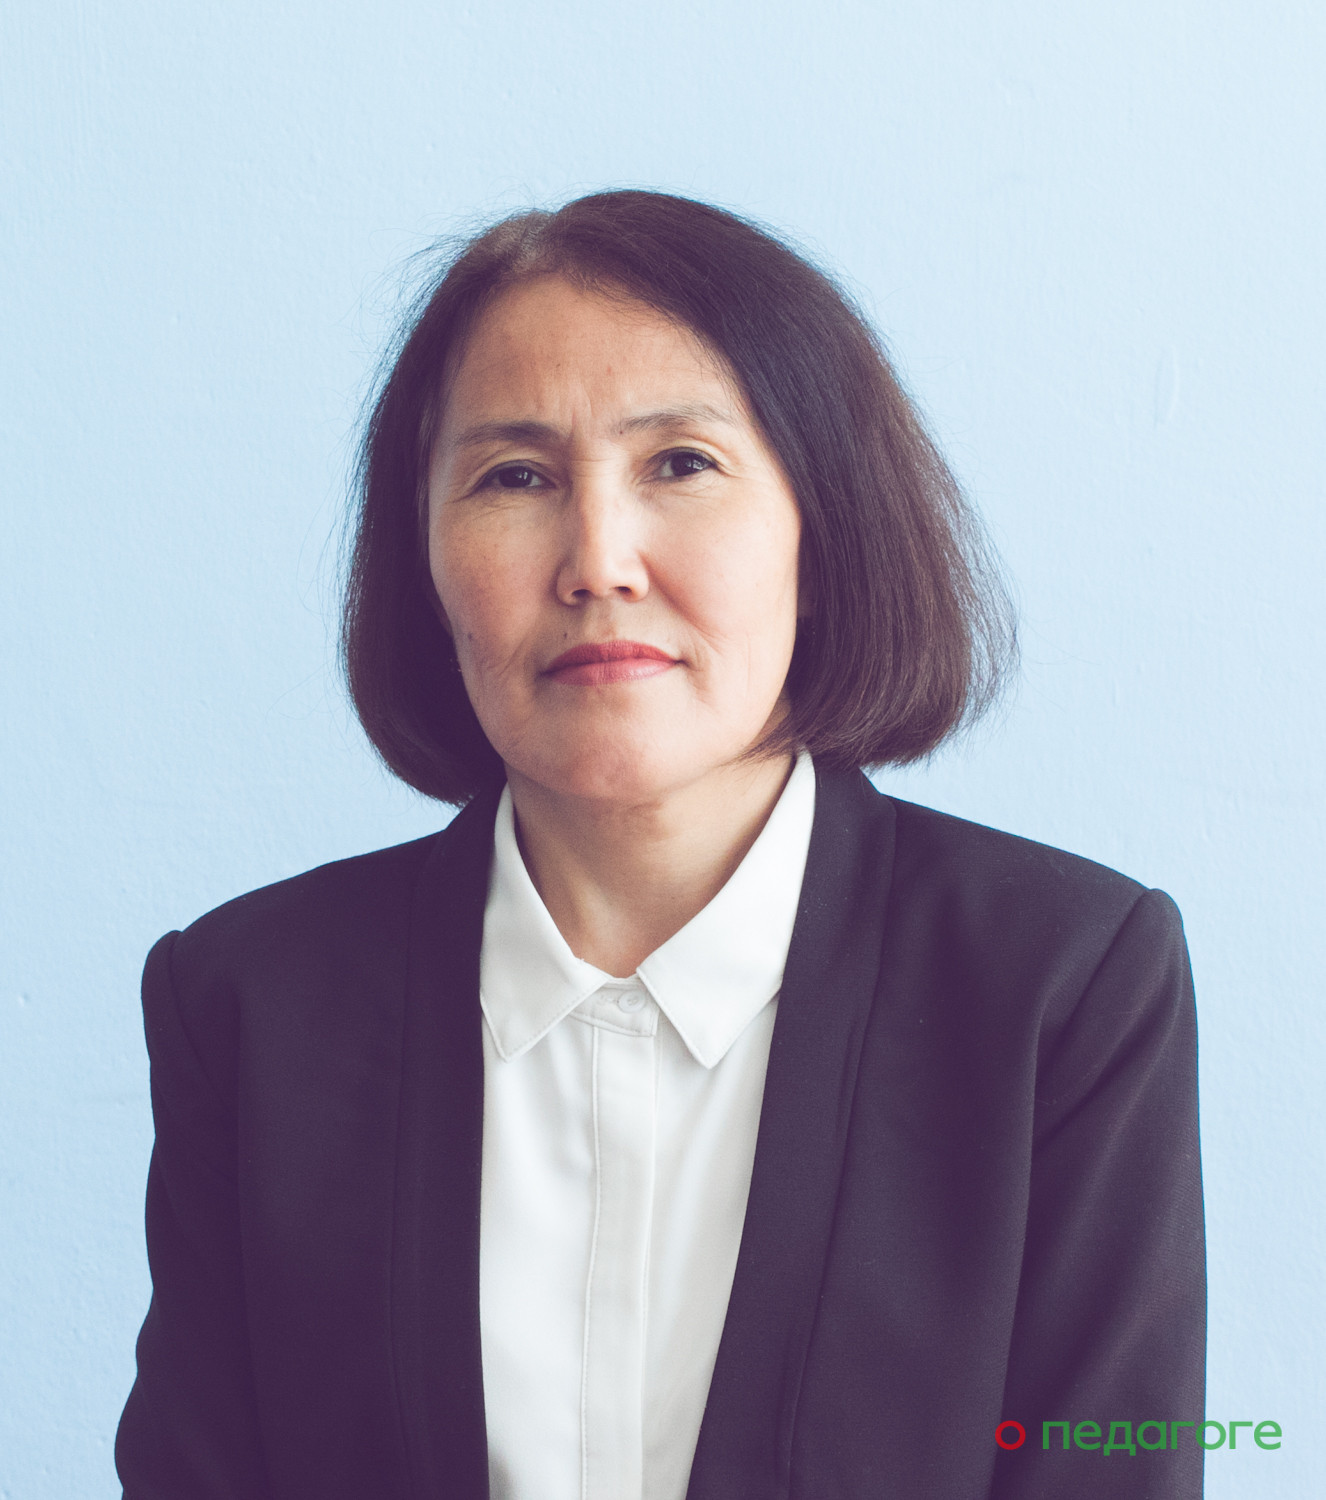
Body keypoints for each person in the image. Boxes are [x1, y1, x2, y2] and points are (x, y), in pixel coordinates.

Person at [115, 190, 1205, 1500]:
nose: (599, 562)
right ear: (426, 560)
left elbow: (1107, 1464)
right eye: (514, 478)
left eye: (680, 464)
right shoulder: (248, 1002)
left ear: (823, 530)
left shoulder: (1061, 983)